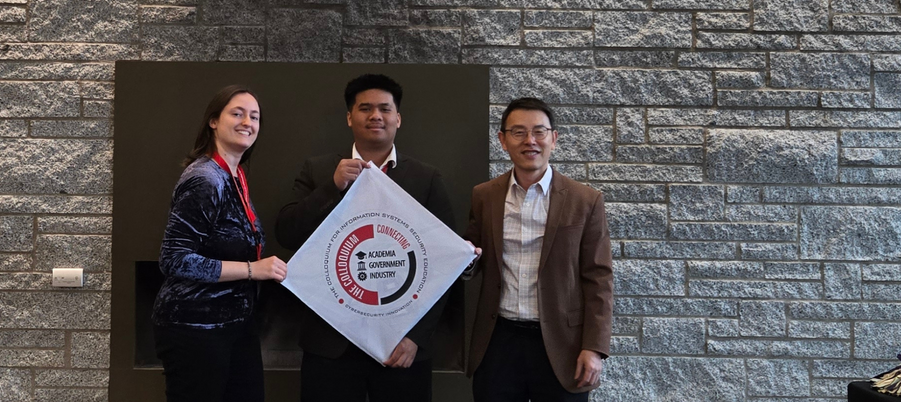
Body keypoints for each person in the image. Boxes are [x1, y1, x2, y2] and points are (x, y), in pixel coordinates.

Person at [276, 73, 455, 402]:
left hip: (401, 345)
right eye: (365, 108)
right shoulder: (319, 170)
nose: (376, 116)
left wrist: (416, 336)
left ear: (398, 118)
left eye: (385, 109)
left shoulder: (425, 178)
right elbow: (287, 233)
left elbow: (446, 263)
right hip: (330, 344)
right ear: (349, 117)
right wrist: (333, 186)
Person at [464, 97, 613, 402]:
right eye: (518, 132)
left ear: (553, 139)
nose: (530, 141)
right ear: (503, 141)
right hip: (498, 340)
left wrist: (594, 347)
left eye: (539, 132)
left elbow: (599, 278)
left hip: (563, 343)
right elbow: (473, 257)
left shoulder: (585, 200)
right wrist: (465, 259)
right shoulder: (484, 196)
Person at [152, 85, 288, 402]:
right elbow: (174, 259)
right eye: (237, 113)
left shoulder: (235, 174)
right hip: (195, 326)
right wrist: (254, 270)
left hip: (235, 323)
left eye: (254, 116)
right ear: (214, 121)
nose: (247, 122)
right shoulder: (205, 178)